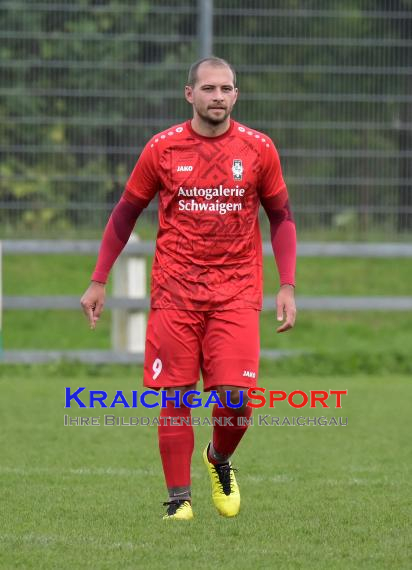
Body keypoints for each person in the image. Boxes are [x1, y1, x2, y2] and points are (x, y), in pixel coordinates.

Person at [81, 56, 297, 521]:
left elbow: (281, 217)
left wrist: (287, 284)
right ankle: (179, 501)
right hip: (175, 290)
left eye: (226, 89)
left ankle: (218, 458)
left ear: (236, 95)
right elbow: (124, 214)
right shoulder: (162, 149)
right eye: (208, 89)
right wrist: (98, 279)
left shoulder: (259, 149)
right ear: (189, 94)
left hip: (237, 290)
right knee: (176, 394)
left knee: (235, 398)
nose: (217, 97)